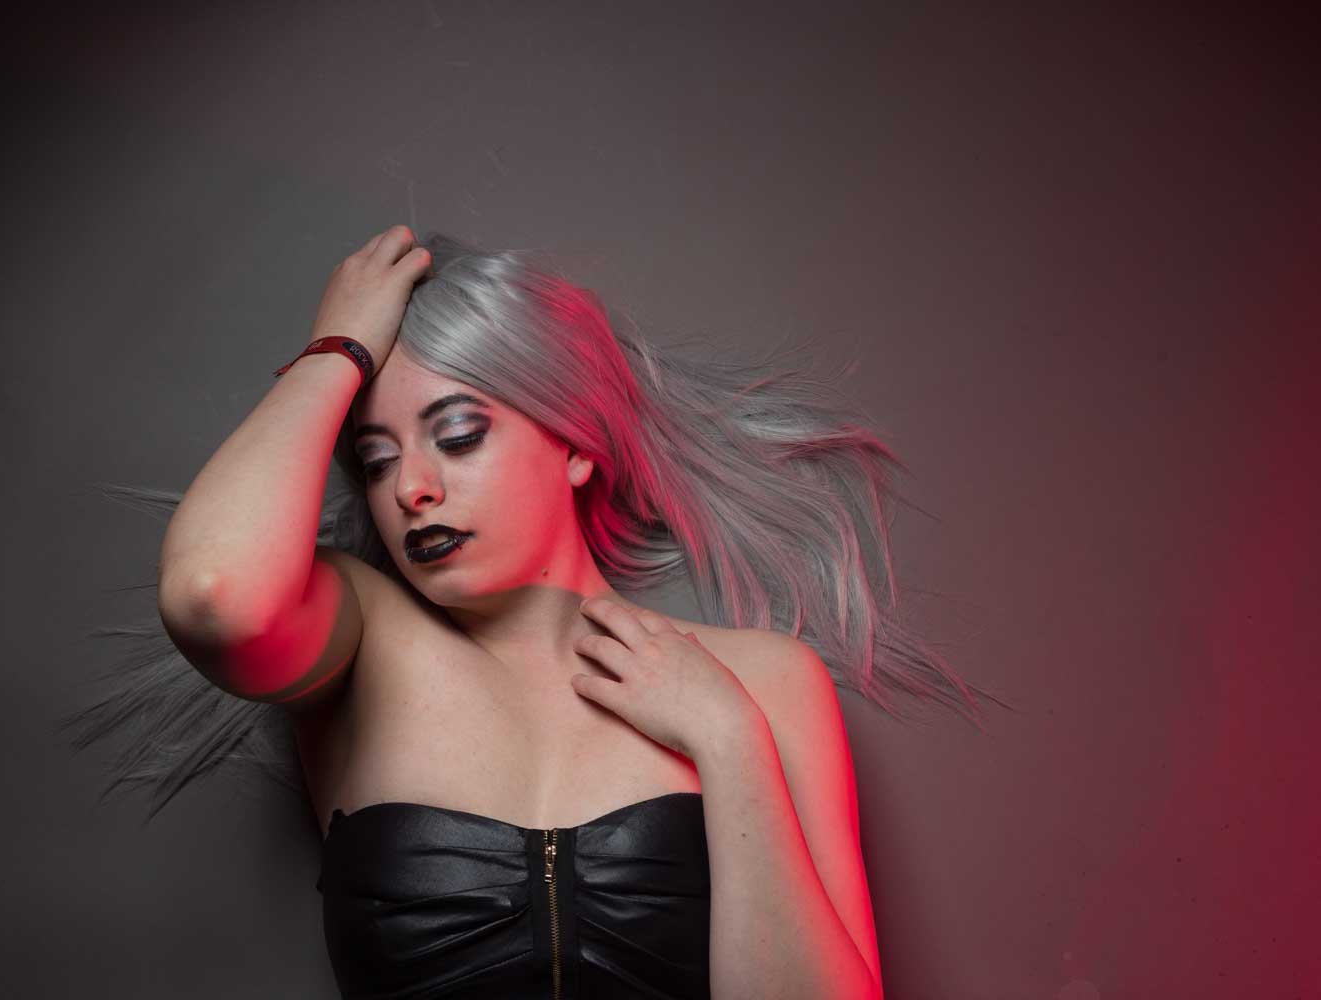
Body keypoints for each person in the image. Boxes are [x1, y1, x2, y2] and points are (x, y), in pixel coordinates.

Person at [62, 225, 999, 998]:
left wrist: (727, 739)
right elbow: (214, 595)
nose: (413, 489)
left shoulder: (760, 682)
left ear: (576, 444)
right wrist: (336, 351)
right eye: (377, 461)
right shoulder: (359, 647)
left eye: (458, 435)